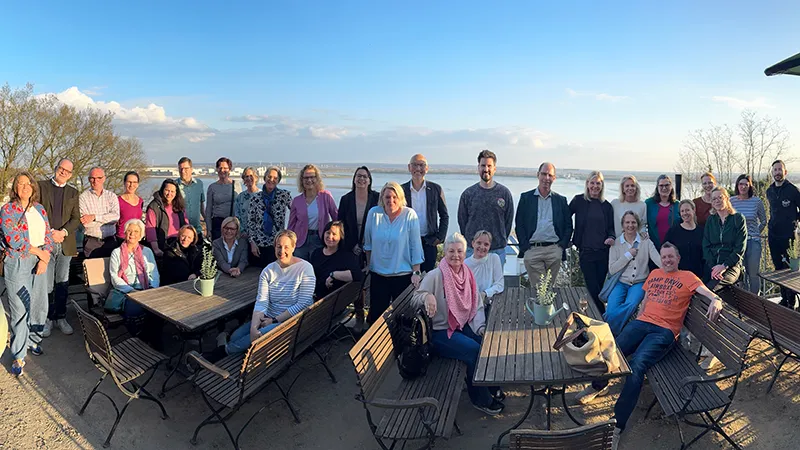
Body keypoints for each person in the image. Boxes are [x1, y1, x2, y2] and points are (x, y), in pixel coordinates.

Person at [575, 243, 724, 441]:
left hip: (664, 331)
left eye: (671, 256)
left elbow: (708, 293)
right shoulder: (654, 274)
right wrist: (639, 321)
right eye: (664, 257)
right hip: (642, 323)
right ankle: (598, 385)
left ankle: (617, 425)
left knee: (637, 364)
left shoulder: (688, 276)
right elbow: (645, 301)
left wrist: (716, 300)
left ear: (678, 259)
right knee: (613, 350)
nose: (667, 260)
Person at [414, 232, 505, 415]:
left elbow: (475, 304)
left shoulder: (466, 273)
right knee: (474, 351)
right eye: (451, 251)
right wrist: (427, 296)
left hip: (460, 325)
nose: (455, 255)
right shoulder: (436, 275)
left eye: (459, 251)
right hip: (440, 332)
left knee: (485, 345)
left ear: (464, 253)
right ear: (444, 253)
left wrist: (480, 327)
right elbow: (414, 299)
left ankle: (490, 385)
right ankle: (480, 399)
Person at [208, 230, 314, 360]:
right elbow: (261, 301)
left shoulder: (305, 268)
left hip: (290, 321)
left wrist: (274, 320)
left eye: (286, 247)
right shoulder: (268, 270)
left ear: (293, 247)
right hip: (268, 317)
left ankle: (223, 352)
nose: (282, 251)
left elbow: (303, 303)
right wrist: (254, 326)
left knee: (260, 334)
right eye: (279, 246)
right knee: (237, 336)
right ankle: (232, 344)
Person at [1, 172, 54, 376]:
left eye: (28, 183)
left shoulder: (39, 209)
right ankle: (18, 354)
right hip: (18, 261)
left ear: (33, 187)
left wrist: (44, 257)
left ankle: (33, 340)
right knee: (20, 308)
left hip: (40, 259)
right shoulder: (8, 210)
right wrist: (40, 253)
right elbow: (14, 239)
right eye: (20, 184)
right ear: (15, 188)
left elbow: (48, 234)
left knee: (39, 304)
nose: (25, 187)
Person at [364, 182, 424, 324]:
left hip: (402, 275)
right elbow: (368, 243)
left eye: (394, 197)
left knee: (402, 318)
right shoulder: (374, 214)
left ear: (400, 198)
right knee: (376, 318)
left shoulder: (409, 215)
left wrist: (416, 272)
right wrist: (369, 265)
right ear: (382, 198)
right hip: (379, 275)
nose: (391, 200)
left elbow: (415, 245)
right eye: (387, 197)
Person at [38, 159, 80, 338]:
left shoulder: (73, 192)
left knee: (62, 283)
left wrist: (63, 232)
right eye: (61, 168)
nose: (63, 172)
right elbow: (35, 213)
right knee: (47, 285)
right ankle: (47, 318)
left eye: (67, 171)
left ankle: (61, 317)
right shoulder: (41, 187)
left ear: (70, 175)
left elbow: (76, 219)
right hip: (45, 243)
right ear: (56, 168)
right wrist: (50, 233)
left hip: (65, 244)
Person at [515, 162, 572, 287]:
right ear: (538, 175)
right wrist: (525, 247)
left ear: (554, 178)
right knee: (540, 289)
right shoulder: (526, 198)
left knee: (548, 289)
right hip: (533, 249)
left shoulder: (561, 200)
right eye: (544, 174)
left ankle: (544, 301)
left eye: (550, 175)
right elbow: (519, 224)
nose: (546, 178)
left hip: (554, 250)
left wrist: (561, 246)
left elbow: (568, 226)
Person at [605, 211, 661, 336]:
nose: (630, 225)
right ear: (623, 225)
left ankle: (607, 329)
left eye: (633, 222)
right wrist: (628, 255)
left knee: (631, 304)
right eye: (627, 222)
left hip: (639, 283)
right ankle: (614, 331)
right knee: (610, 310)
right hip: (620, 282)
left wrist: (672, 269)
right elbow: (612, 269)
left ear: (638, 224)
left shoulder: (645, 241)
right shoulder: (616, 243)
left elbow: (658, 260)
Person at [458, 149, 514, 267]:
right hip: (472, 251)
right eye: (483, 165)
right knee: (470, 280)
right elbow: (462, 221)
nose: (486, 169)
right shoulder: (468, 194)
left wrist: (500, 239)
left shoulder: (504, 193)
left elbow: (508, 221)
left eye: (489, 166)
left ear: (494, 168)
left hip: (497, 251)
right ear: (478, 167)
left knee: (496, 280)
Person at [569, 171, 616, 312]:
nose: (595, 186)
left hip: (603, 253)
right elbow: (564, 217)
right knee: (592, 286)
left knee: (599, 287)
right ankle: (603, 314)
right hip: (586, 252)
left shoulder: (607, 206)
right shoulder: (578, 201)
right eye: (592, 183)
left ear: (602, 185)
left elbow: (611, 228)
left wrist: (611, 237)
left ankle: (594, 314)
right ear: (587, 184)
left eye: (598, 183)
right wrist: (568, 237)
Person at [109, 219, 160, 343]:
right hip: (127, 291)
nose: (132, 234)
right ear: (125, 233)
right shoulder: (116, 253)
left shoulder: (147, 251)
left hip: (146, 290)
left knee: (158, 311)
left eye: (136, 231)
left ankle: (153, 342)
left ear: (141, 235)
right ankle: (138, 341)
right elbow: (115, 277)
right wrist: (131, 291)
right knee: (134, 309)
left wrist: (152, 289)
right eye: (129, 231)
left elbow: (154, 273)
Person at [401, 154, 449, 273]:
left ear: (427, 168)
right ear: (409, 167)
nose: (418, 168)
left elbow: (444, 215)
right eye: (415, 165)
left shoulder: (436, 189)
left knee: (427, 277)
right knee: (408, 276)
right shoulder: (401, 190)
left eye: (421, 165)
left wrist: (440, 237)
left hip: (429, 242)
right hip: (407, 242)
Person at [766, 160, 800, 308]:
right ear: (772, 172)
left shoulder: (793, 190)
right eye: (775, 170)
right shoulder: (769, 191)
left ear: (785, 172)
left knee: (789, 269)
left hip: (789, 237)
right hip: (773, 235)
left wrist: (794, 221)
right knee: (778, 268)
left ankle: (791, 301)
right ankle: (784, 298)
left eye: (780, 169)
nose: (777, 172)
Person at [288, 164, 338, 260]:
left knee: (318, 266)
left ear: (317, 179)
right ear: (302, 180)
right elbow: (291, 225)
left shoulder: (326, 196)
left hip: (319, 239)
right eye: (306, 178)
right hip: (300, 242)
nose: (309, 180)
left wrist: (334, 236)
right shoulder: (296, 201)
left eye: (312, 177)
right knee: (300, 267)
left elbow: (336, 217)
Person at [247, 166, 292, 268]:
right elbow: (250, 222)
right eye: (269, 177)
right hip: (259, 244)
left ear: (278, 180)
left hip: (277, 243)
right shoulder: (255, 198)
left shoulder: (284, 195)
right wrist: (252, 242)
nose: (271, 180)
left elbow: (296, 212)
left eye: (275, 178)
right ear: (264, 177)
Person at [703, 187, 746, 291]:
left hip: (731, 266)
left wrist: (724, 266)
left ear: (726, 198)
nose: (717, 201)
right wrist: (714, 267)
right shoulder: (711, 220)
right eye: (714, 199)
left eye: (720, 197)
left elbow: (740, 249)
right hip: (713, 266)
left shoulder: (738, 219)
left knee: (712, 289)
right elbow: (706, 245)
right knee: (698, 288)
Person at [730, 174, 767, 294]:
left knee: (753, 273)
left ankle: (756, 300)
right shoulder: (732, 201)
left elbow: (763, 221)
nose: (743, 187)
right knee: (740, 273)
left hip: (752, 241)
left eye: (746, 184)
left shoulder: (757, 201)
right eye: (740, 184)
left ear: (750, 186)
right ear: (737, 186)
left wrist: (756, 233)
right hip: (737, 243)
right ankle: (744, 300)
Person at [310, 221, 363, 299]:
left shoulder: (346, 256)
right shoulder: (316, 253)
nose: (330, 237)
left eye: (334, 234)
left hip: (333, 299)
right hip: (314, 296)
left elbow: (357, 275)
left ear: (340, 237)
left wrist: (334, 275)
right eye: (328, 233)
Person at [338, 166, 380, 262]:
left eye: (365, 176)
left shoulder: (377, 198)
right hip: (350, 247)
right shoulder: (346, 199)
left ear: (369, 181)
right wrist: (352, 245)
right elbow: (341, 225)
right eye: (359, 176)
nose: (361, 179)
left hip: (372, 247)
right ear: (354, 179)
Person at [79, 166, 120, 258]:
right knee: (92, 267)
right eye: (92, 178)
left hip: (110, 241)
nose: (95, 181)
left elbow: (115, 217)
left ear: (104, 179)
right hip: (91, 242)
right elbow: (86, 223)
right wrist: (107, 220)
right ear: (89, 179)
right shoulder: (83, 198)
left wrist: (94, 217)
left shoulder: (112, 196)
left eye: (99, 178)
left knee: (111, 267)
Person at [145, 179, 188, 258]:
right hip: (163, 245)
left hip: (179, 244)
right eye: (167, 190)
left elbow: (186, 226)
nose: (169, 194)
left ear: (176, 193)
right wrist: (156, 249)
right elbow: (150, 229)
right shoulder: (154, 206)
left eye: (172, 191)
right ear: (162, 190)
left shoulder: (180, 206)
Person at [464, 230, 504, 314]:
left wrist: (485, 293)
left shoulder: (494, 258)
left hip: (490, 303)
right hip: (470, 305)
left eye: (486, 244)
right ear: (473, 243)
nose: (482, 247)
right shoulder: (465, 264)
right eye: (479, 243)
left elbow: (499, 285)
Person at [664, 200, 704, 278]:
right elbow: (665, 252)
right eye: (682, 211)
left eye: (687, 210)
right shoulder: (673, 231)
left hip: (697, 276)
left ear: (694, 210)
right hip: (677, 276)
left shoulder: (702, 232)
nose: (685, 213)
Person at [206, 157, 241, 241]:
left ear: (229, 170)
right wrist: (209, 229)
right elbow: (208, 209)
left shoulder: (236, 184)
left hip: (232, 222)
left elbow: (240, 205)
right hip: (218, 223)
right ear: (217, 169)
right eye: (220, 168)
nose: (222, 170)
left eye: (225, 168)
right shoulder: (212, 187)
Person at [645, 174, 681, 250]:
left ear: (671, 187)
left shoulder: (677, 205)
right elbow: (641, 223)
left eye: (667, 185)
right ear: (657, 187)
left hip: (673, 247)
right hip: (653, 247)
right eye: (661, 185)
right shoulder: (649, 204)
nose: (664, 188)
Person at [176, 157, 206, 241]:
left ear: (191, 169)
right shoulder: (174, 185)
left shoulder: (199, 184)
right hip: (181, 232)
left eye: (186, 168)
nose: (183, 171)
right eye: (180, 169)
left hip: (196, 230)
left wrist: (207, 222)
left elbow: (201, 205)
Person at [117, 171, 144, 244]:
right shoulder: (118, 201)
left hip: (135, 239)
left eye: (134, 182)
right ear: (124, 183)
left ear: (137, 184)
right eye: (129, 182)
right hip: (121, 239)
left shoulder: (140, 201)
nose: (131, 185)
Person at [235, 166, 260, 240]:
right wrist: (242, 231)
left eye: (251, 176)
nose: (249, 178)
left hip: (259, 236)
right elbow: (237, 215)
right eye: (246, 176)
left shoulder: (262, 196)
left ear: (256, 178)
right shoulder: (240, 197)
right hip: (243, 235)